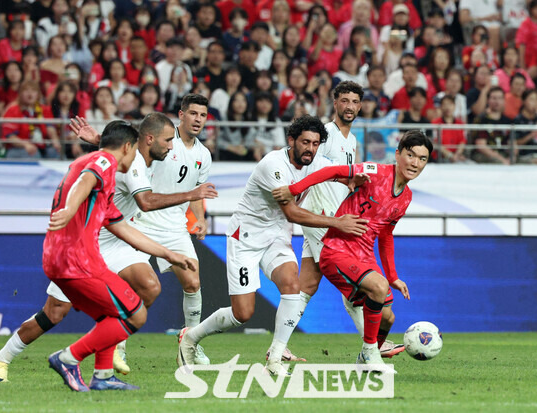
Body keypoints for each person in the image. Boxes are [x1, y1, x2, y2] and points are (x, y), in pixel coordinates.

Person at [0, 114, 218, 383]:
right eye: (168, 140)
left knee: (147, 288)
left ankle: (105, 366)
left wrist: (168, 254)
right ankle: (6, 357)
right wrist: (69, 209)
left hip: (110, 244)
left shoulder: (126, 159)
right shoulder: (118, 163)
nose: (172, 146)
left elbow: (118, 221)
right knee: (55, 312)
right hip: (81, 250)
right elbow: (132, 195)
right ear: (146, 141)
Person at [177, 115, 369, 376]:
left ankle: (275, 358)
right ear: (291, 141)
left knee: (292, 286)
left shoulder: (315, 163)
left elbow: (343, 172)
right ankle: (190, 337)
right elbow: (291, 213)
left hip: (277, 236)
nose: (310, 148)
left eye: (315, 143)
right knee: (243, 313)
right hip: (245, 237)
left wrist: (360, 178)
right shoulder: (273, 164)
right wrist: (337, 222)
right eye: (305, 142)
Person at [272, 130, 433, 368]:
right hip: (338, 249)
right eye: (411, 155)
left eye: (422, 159)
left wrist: (393, 276)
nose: (415, 163)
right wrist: (294, 190)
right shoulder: (376, 172)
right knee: (378, 288)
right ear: (398, 154)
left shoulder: (405, 197)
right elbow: (332, 172)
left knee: (388, 318)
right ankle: (370, 352)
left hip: (364, 256)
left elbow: (386, 234)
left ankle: (367, 357)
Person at [291, 81, 405, 361]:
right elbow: (312, 167)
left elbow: (340, 176)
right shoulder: (326, 134)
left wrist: (353, 182)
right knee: (357, 286)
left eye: (355, 101)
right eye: (344, 100)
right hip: (326, 218)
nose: (350, 107)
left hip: (334, 216)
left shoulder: (351, 140)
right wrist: (298, 193)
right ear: (335, 102)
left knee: (307, 285)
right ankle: (374, 347)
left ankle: (278, 347)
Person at [130, 94, 215, 365]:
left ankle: (189, 343)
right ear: (181, 115)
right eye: (193, 114)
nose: (198, 119)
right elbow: (130, 149)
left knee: (193, 281)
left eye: (202, 115)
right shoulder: (163, 140)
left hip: (175, 225)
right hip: (143, 219)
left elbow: (195, 195)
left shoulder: (204, 154)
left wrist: (199, 218)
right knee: (134, 285)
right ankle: (117, 344)